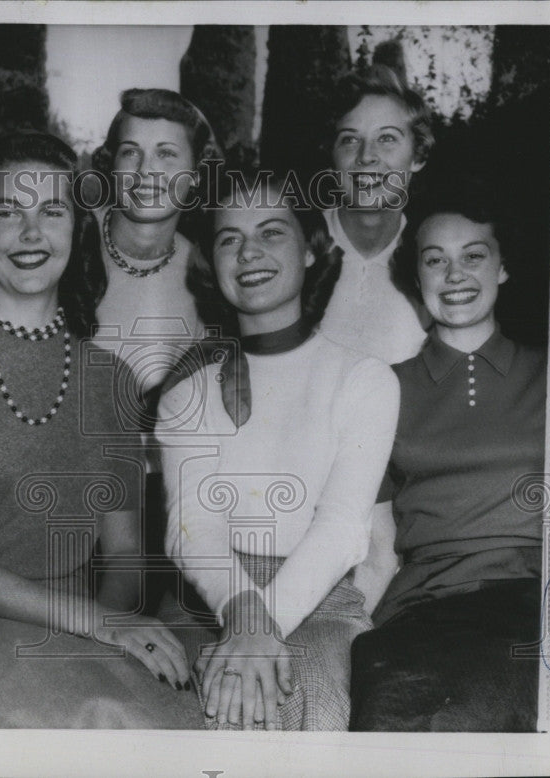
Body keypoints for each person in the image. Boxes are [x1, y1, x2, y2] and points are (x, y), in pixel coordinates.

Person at [0, 131, 194, 693]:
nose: (31, 233)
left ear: (77, 231)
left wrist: (105, 639)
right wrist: (97, 625)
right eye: (8, 211)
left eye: (51, 211)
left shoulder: (113, 379)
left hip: (84, 636)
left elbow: (124, 553)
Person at [156, 177, 400, 730]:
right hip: (205, 599)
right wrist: (242, 617)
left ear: (311, 249)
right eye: (229, 239)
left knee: (305, 694)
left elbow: (341, 527)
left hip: (319, 600)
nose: (249, 253)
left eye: (272, 232)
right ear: (211, 262)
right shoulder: (188, 387)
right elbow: (191, 527)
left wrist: (259, 632)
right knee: (171, 707)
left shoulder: (364, 380)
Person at [349, 187, 546, 731]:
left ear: (503, 267)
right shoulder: (383, 390)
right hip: (424, 611)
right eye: (435, 260)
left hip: (536, 604)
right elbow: (378, 550)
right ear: (418, 278)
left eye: (474, 256)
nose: (454, 274)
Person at [90, 88, 223, 404]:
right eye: (131, 152)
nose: (146, 170)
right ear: (112, 166)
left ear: (196, 174)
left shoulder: (207, 275)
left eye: (166, 153)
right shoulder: (66, 237)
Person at [318, 64, 433, 366]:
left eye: (387, 138)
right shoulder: (295, 247)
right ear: (332, 158)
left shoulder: (433, 263)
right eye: (350, 139)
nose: (366, 155)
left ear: (418, 155)